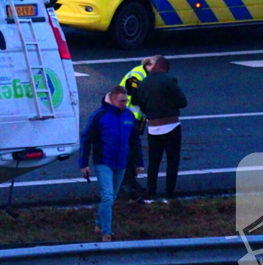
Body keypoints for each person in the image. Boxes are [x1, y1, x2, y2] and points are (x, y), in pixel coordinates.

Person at [80, 85, 142, 241]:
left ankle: (99, 224)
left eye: (126, 101)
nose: (124, 104)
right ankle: (106, 232)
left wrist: (138, 162)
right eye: (122, 101)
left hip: (121, 163)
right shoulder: (99, 116)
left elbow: (135, 141)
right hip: (103, 162)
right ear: (113, 100)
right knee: (108, 196)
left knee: (111, 197)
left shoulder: (129, 116)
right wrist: (84, 163)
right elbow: (86, 139)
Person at [131, 55, 187, 203]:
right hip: (171, 125)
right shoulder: (169, 80)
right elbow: (182, 102)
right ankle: (169, 193)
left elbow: (137, 101)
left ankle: (151, 190)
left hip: (153, 127)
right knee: (172, 161)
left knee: (154, 161)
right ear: (165, 68)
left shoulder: (143, 83)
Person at [119, 57, 153, 200]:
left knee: (132, 151)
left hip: (134, 119)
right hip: (125, 119)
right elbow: (134, 97)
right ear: (149, 65)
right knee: (127, 151)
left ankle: (130, 180)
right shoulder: (137, 75)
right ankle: (124, 183)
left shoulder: (145, 75)